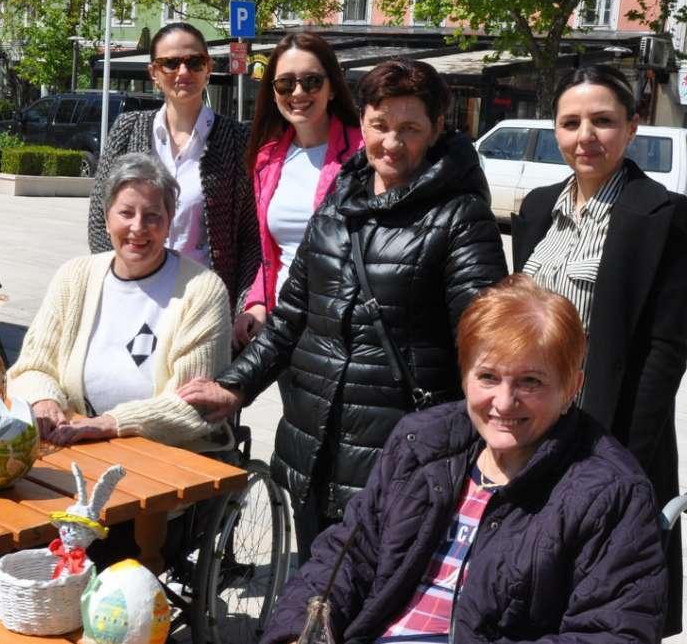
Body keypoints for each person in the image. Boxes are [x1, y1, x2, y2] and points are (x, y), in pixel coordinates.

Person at [255, 276, 669, 644]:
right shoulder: (423, 441)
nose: (504, 401)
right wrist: (300, 637)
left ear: (572, 386)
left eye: (531, 382)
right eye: (488, 377)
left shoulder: (608, 490)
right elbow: (345, 552)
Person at [180, 58, 507, 558]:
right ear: (364, 122)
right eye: (379, 125)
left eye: (410, 128)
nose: (391, 143)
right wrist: (235, 385)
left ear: (438, 129)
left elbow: (484, 341)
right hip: (315, 450)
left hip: (401, 458)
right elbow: (291, 317)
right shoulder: (338, 202)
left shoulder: (461, 218)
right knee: (315, 589)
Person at [512, 65, 687, 632]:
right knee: (530, 562)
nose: (585, 136)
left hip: (606, 426)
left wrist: (627, 458)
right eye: (570, 123)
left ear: (632, 126)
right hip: (529, 421)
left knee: (604, 571)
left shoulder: (659, 214)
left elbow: (666, 349)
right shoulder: (539, 206)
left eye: (603, 121)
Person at [9, 151, 232, 453]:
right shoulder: (74, 277)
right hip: (78, 444)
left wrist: (111, 423)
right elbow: (31, 368)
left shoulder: (202, 290)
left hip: (167, 457)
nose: (138, 227)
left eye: (153, 215)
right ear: (106, 217)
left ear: (169, 223)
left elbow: (193, 406)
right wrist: (44, 399)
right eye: (126, 213)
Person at [88, 22, 259, 314]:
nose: (183, 72)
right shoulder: (127, 130)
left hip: (205, 304)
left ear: (208, 68)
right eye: (170, 64)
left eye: (194, 62)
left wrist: (243, 306)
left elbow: (250, 239)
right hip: (135, 299)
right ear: (154, 73)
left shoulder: (237, 139)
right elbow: (100, 222)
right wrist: (121, 287)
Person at [235, 32, 362, 348]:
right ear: (273, 92)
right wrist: (257, 303)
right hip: (284, 328)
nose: (298, 92)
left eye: (312, 81)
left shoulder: (364, 151)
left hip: (346, 327)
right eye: (286, 84)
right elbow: (268, 252)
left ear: (332, 87)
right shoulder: (266, 159)